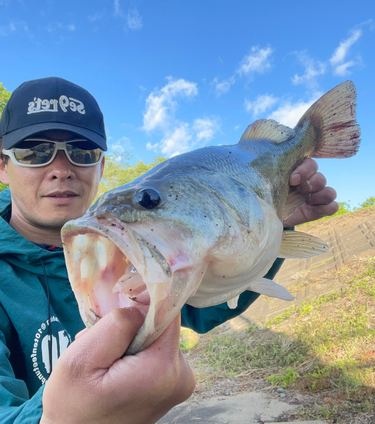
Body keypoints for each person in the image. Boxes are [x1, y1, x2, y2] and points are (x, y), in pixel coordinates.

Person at [0, 77, 337, 424]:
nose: (60, 170)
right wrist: (60, 418)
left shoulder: (131, 240)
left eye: (81, 152)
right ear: (2, 165)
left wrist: (270, 234)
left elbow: (202, 310)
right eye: (34, 151)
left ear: (99, 166)